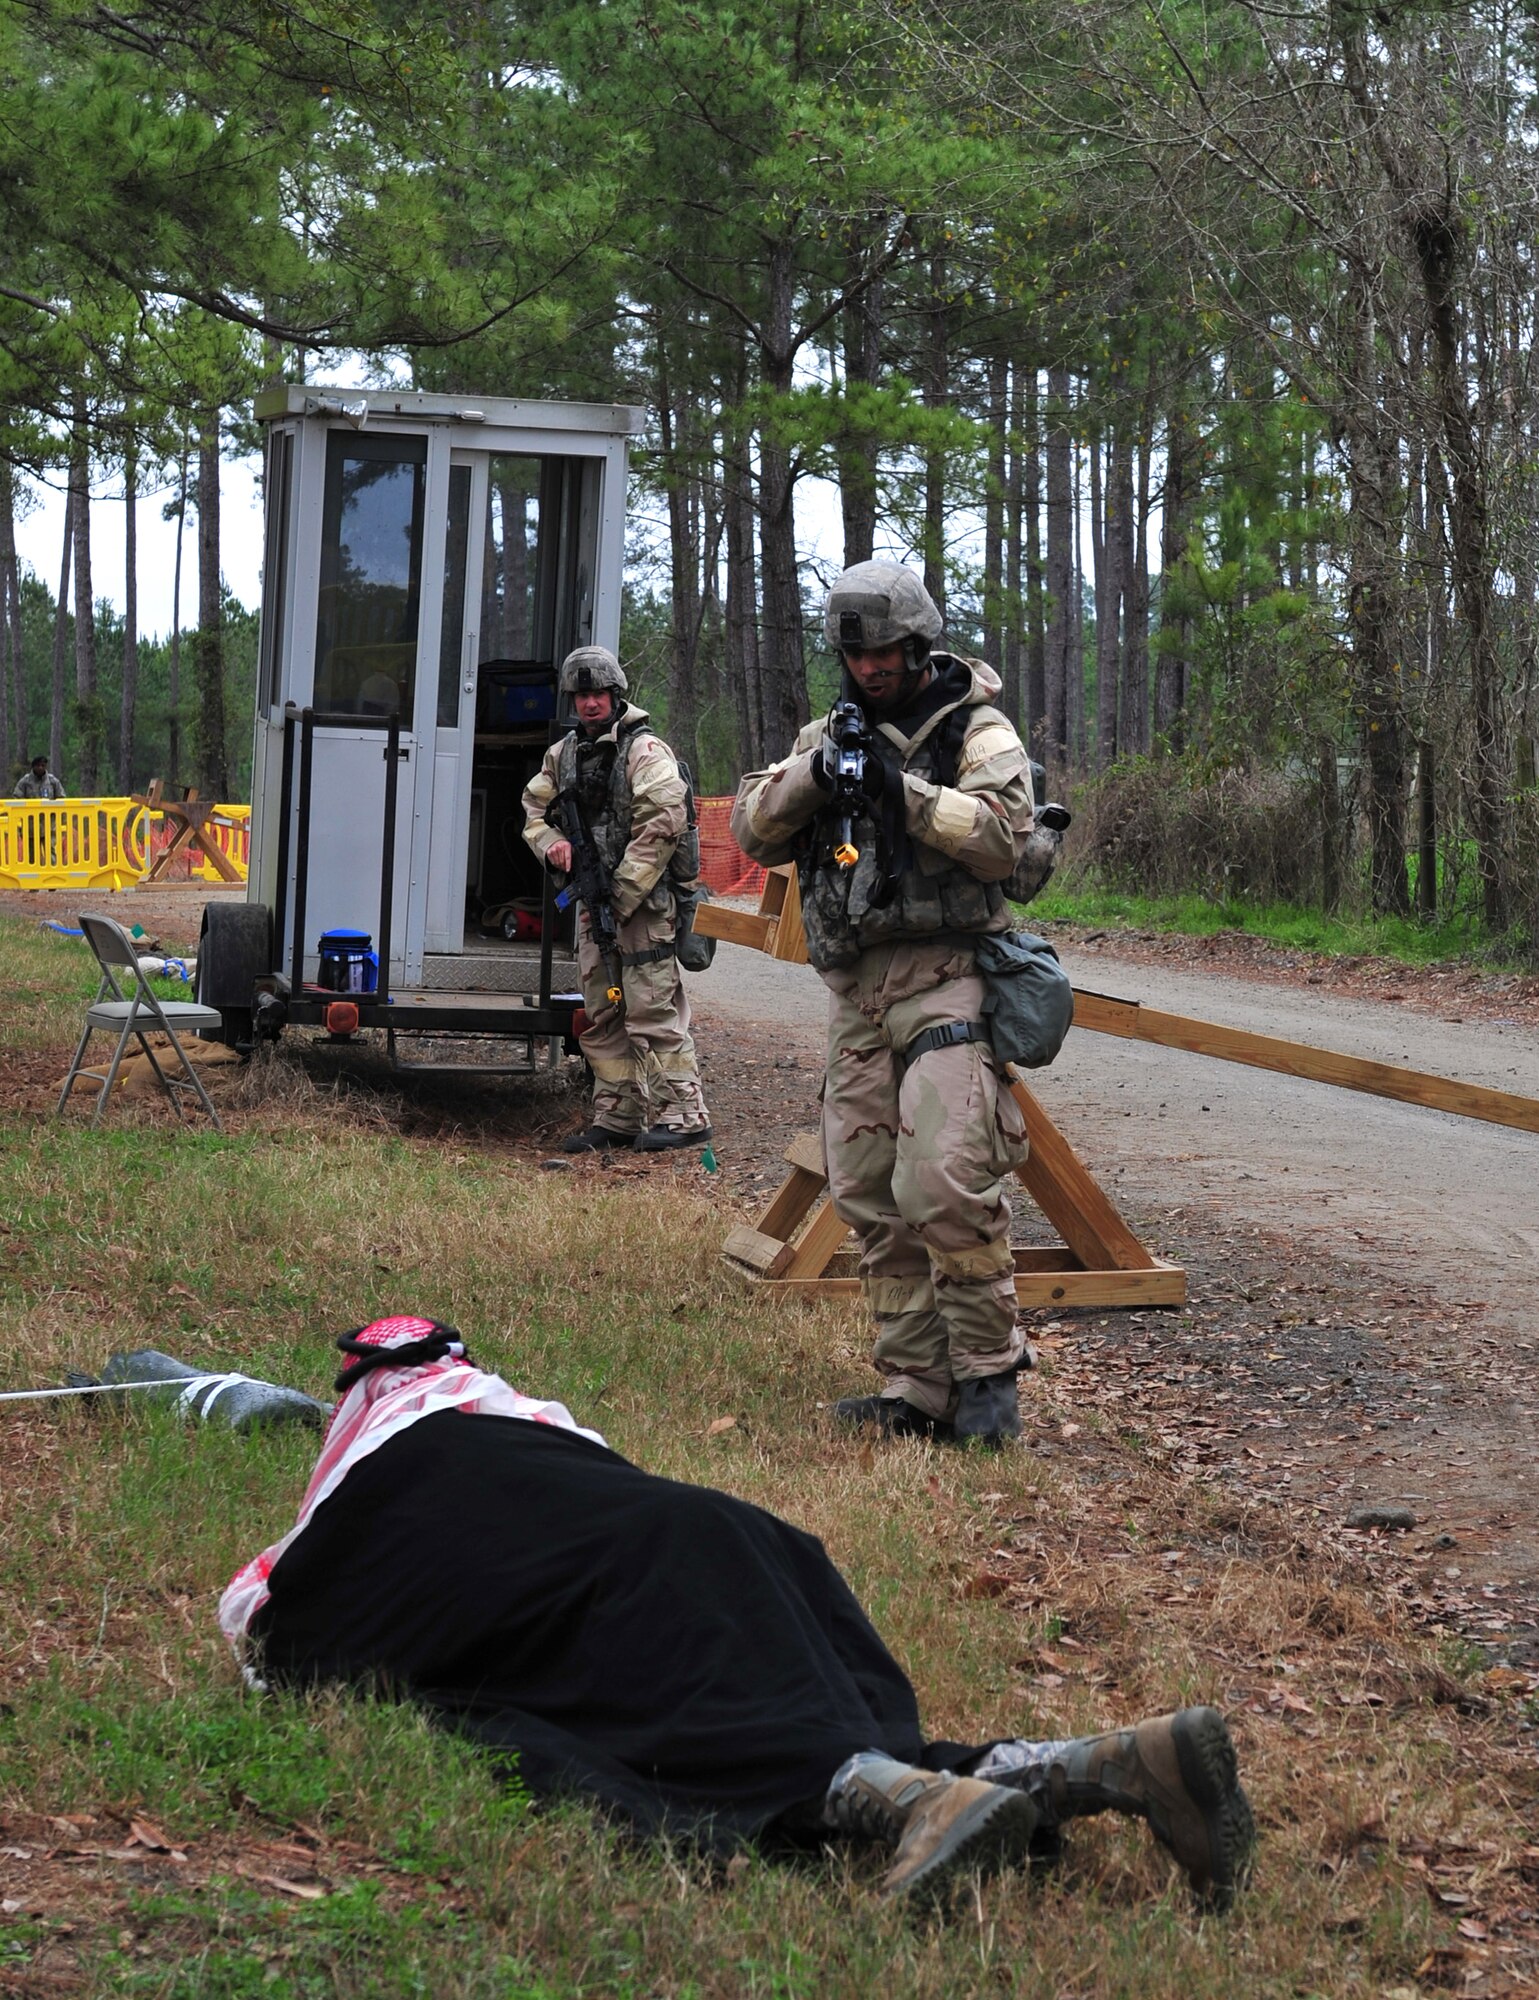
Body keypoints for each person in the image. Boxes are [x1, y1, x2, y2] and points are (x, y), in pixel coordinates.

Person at [220, 1316, 1256, 1909]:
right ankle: (1089, 1761)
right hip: (725, 1530)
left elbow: (269, 1620)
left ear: (356, 1403)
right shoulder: (536, 1425)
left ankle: (904, 1802)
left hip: (597, 1585)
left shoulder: (359, 1487)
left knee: (668, 1731)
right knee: (816, 1705)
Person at [731, 562, 1063, 1446]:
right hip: (856, 991)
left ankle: (988, 1381)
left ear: (919, 645)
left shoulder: (976, 731)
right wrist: (818, 773)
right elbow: (751, 833)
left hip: (946, 972)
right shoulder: (826, 732)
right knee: (869, 1191)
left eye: (883, 652)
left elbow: (1005, 842)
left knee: (945, 1181)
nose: (869, 667)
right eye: (854, 653)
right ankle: (920, 1390)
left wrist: (899, 792)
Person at [523, 646, 712, 1154]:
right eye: (581, 695)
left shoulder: (645, 751)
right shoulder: (563, 756)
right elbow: (532, 811)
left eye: (597, 693)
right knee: (603, 1013)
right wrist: (552, 845)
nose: (589, 703)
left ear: (615, 693)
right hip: (594, 904)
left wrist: (620, 896)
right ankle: (618, 1114)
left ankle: (684, 1111)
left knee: (651, 1009)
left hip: (644, 908)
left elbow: (664, 823)